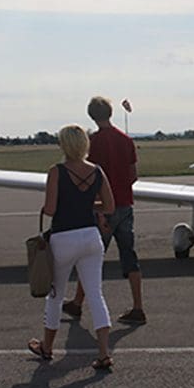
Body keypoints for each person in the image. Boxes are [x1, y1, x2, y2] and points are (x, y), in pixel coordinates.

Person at [28, 124, 115, 370]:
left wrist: (49, 207)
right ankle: (104, 353)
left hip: (64, 238)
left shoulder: (56, 171)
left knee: (55, 294)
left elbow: (52, 209)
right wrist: (89, 206)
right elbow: (109, 206)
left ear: (63, 145)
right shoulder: (97, 171)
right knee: (95, 294)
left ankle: (46, 347)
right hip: (90, 237)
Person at [62, 96, 146, 325]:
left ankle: (78, 304)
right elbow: (133, 175)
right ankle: (138, 306)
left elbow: (91, 179)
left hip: (102, 209)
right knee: (130, 256)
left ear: (92, 116)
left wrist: (99, 210)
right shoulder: (126, 140)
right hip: (126, 206)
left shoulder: (92, 143)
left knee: (90, 258)